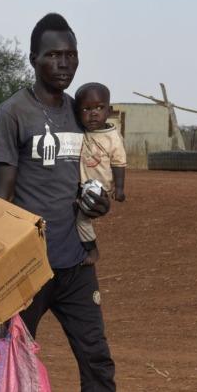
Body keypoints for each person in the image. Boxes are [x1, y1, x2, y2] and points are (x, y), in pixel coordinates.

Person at [0, 13, 175, 392]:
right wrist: (2, 264)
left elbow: (91, 182)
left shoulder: (81, 113)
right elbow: (2, 195)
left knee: (97, 357)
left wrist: (100, 204)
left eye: (70, 54)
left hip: (74, 262)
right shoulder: (13, 114)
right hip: (27, 265)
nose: (63, 63)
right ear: (33, 59)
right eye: (52, 54)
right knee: (12, 357)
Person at [74, 82, 127, 265]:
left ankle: (92, 250)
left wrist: (119, 188)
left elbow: (119, 163)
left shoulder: (112, 138)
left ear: (109, 110)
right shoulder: (81, 131)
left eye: (99, 108)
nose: (93, 113)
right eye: (86, 109)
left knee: (82, 219)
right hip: (78, 184)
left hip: (96, 188)